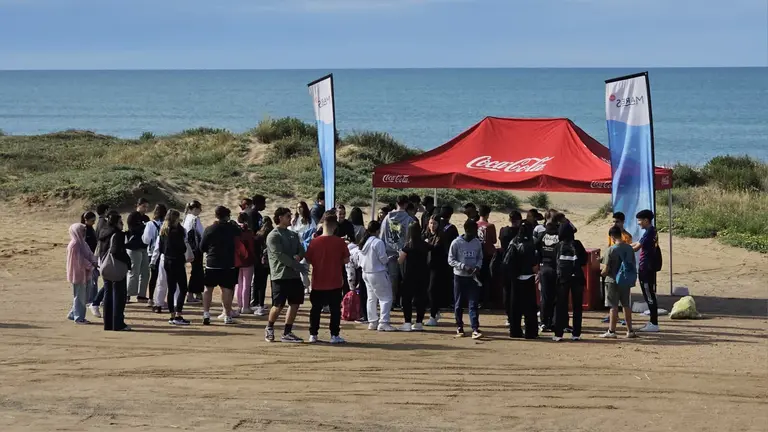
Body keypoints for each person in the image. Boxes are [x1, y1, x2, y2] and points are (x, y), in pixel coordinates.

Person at [304, 212, 350, 344]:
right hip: (335, 281)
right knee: (335, 310)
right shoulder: (340, 242)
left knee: (315, 309)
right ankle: (334, 335)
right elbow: (346, 260)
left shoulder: (314, 242)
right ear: (335, 226)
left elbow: (308, 259)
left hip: (318, 281)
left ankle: (313, 334)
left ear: (322, 224)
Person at [265, 207, 307, 342]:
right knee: (278, 305)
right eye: (288, 216)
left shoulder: (293, 235)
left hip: (294, 275)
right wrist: (296, 264)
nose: (291, 218)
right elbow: (279, 255)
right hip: (280, 275)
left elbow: (301, 249)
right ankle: (269, 328)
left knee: (295, 303)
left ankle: (287, 332)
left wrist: (299, 257)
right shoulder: (273, 235)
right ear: (280, 217)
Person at [200, 206, 241, 325]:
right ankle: (227, 315)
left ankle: (206, 314)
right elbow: (240, 233)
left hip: (212, 262)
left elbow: (202, 247)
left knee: (208, 289)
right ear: (227, 216)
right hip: (228, 263)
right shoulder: (232, 228)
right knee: (227, 290)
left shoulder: (210, 229)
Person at [379, 195, 416, 310]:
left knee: (391, 279)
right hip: (404, 253)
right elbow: (410, 237)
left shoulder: (387, 218)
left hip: (389, 252)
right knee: (405, 279)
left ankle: (391, 301)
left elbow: (382, 235)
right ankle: (404, 302)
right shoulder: (409, 219)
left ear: (396, 203)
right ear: (406, 204)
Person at [448, 219, 484, 339]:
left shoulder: (477, 242)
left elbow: (480, 257)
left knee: (473, 303)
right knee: (458, 304)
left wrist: (478, 267)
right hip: (459, 277)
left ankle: (475, 328)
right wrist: (463, 266)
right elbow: (451, 260)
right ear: (468, 230)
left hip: (472, 277)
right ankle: (459, 326)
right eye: (474, 230)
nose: (476, 233)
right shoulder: (456, 243)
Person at [553, 222, 588, 341]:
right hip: (577, 278)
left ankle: (558, 334)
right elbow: (584, 261)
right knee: (577, 306)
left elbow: (554, 262)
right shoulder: (577, 244)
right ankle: (576, 334)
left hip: (562, 279)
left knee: (561, 306)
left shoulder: (558, 245)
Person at [358, 221, 396, 332]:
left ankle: (372, 321)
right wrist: (390, 258)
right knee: (386, 298)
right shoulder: (377, 242)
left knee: (371, 298)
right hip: (377, 272)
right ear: (377, 230)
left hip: (366, 272)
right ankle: (384, 322)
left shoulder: (364, 241)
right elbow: (383, 258)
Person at [601, 226, 638, 339]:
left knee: (613, 306)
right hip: (625, 280)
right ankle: (630, 330)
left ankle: (612, 331)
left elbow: (606, 269)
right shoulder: (629, 248)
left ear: (612, 236)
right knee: (626, 305)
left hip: (612, 280)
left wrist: (600, 273)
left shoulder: (611, 250)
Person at [505, 221, 539, 339]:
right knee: (529, 307)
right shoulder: (531, 243)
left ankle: (514, 331)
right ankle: (531, 332)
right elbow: (535, 265)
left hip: (515, 278)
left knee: (515, 306)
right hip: (528, 277)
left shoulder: (513, 242)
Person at [98, 212, 132, 331]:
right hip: (116, 267)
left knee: (108, 295)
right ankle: (117, 324)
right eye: (121, 222)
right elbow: (116, 251)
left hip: (105, 266)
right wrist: (128, 262)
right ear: (116, 223)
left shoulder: (103, 231)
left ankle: (108, 324)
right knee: (119, 296)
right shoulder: (117, 234)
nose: (122, 224)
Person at [158, 210, 191, 326]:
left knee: (171, 288)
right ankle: (178, 314)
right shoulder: (177, 232)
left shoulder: (163, 230)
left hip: (167, 260)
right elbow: (182, 248)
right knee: (182, 288)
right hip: (176, 261)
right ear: (175, 219)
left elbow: (160, 248)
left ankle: (172, 315)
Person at [398, 221, 430, 331]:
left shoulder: (407, 246)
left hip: (409, 275)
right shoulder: (425, 245)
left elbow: (400, 261)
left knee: (407, 299)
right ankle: (419, 323)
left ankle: (407, 322)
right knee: (421, 299)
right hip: (423, 274)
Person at [632, 209, 661, 333]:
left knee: (649, 295)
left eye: (639, 220)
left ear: (646, 220)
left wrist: (620, 248)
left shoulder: (650, 231)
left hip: (647, 268)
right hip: (647, 267)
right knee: (649, 295)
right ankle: (652, 322)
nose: (638, 223)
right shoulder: (651, 231)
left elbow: (637, 247)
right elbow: (638, 243)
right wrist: (623, 244)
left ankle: (654, 323)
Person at [67, 223, 98, 324]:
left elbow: (89, 254)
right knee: (80, 296)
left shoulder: (82, 243)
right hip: (78, 274)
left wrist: (94, 261)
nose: (84, 232)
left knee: (83, 296)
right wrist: (91, 265)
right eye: (82, 230)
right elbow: (80, 260)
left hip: (86, 272)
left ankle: (73, 313)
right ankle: (79, 318)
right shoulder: (74, 245)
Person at [498, 210, 522, 326]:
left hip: (505, 263)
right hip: (518, 265)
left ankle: (508, 316)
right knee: (517, 292)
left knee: (507, 291)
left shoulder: (504, 231)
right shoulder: (521, 232)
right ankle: (516, 315)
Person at [424, 215, 449, 326]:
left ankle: (433, 316)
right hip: (428, 266)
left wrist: (425, 244)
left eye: (434, 223)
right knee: (429, 291)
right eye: (430, 223)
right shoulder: (427, 235)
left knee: (432, 290)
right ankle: (436, 311)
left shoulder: (441, 236)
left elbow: (435, 248)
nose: (432, 226)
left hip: (438, 267)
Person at [142, 204, 167, 308]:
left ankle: (151, 298)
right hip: (164, 253)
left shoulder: (150, 224)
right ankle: (161, 299)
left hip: (152, 253)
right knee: (163, 278)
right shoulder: (166, 224)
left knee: (154, 276)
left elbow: (146, 239)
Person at [536, 222, 559, 332]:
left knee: (545, 297)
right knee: (556, 297)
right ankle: (554, 322)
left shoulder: (542, 236)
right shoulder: (559, 236)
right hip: (555, 268)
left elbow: (536, 249)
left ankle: (544, 322)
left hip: (544, 268)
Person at [125, 210, 150, 303]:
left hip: (144, 247)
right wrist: (144, 226)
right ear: (138, 205)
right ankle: (127, 295)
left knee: (145, 272)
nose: (145, 208)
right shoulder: (133, 215)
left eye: (146, 207)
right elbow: (133, 229)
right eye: (143, 206)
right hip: (133, 247)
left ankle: (141, 295)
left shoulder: (146, 218)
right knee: (134, 272)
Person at [89, 204, 110, 311]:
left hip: (99, 253)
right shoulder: (103, 223)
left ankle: (97, 300)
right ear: (106, 210)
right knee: (105, 280)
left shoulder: (100, 222)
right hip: (102, 253)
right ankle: (95, 301)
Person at [251, 217, 273, 315]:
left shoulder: (258, 234)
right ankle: (275, 303)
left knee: (259, 284)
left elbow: (254, 250)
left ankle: (259, 303)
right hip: (271, 262)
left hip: (259, 263)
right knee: (273, 284)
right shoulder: (273, 233)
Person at [183, 200, 204, 304]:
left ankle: (196, 293)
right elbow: (201, 233)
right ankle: (191, 293)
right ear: (194, 209)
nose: (200, 211)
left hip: (188, 247)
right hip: (195, 249)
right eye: (199, 209)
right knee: (197, 271)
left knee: (196, 271)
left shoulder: (185, 218)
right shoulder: (194, 219)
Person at [476, 205, 497, 305]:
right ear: (488, 214)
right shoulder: (490, 226)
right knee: (487, 278)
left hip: (477, 254)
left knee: (477, 277)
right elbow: (494, 240)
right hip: (488, 254)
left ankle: (478, 299)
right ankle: (486, 300)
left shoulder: (475, 224)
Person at [235, 212, 256, 314]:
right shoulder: (248, 231)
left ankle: (239, 305)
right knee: (247, 284)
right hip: (247, 260)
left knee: (239, 284)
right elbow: (251, 248)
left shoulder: (235, 231)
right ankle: (245, 307)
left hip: (237, 260)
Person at [81, 211, 101, 319]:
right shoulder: (84, 230)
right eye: (92, 221)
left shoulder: (90, 229)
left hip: (93, 257)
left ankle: (93, 299)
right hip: (88, 259)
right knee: (91, 281)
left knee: (94, 279)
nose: (93, 223)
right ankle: (91, 300)